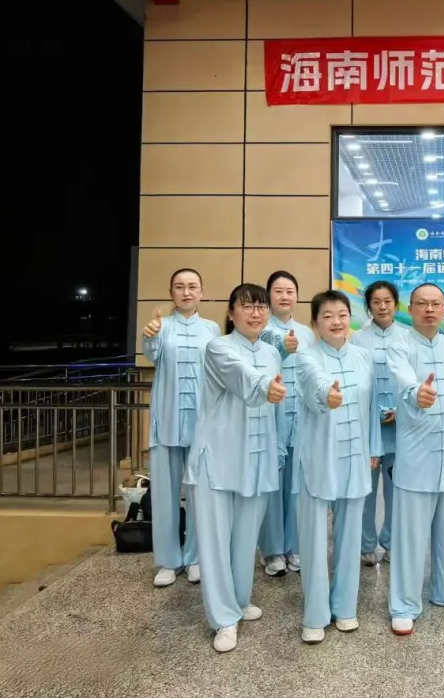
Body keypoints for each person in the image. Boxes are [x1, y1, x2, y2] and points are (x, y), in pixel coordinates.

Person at [185, 283, 286, 652]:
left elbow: (277, 408)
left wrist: (278, 449)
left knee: (245, 539)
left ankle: (240, 601)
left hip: (256, 458)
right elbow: (243, 376)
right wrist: (265, 386)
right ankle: (223, 618)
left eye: (261, 306)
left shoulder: (272, 353)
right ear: (231, 313)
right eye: (246, 306)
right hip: (218, 457)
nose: (255, 313)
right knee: (215, 541)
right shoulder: (218, 347)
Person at [386, 282, 444, 636]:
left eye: (435, 304)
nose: (429, 310)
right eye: (422, 304)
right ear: (410, 308)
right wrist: (418, 393)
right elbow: (404, 382)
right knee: (410, 535)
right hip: (417, 452)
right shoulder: (399, 345)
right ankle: (404, 605)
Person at [294, 291, 383, 644]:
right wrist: (326, 396)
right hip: (319, 455)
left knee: (350, 535)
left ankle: (345, 607)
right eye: (327, 315)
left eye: (342, 314)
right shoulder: (306, 357)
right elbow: (315, 384)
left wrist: (374, 447)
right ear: (315, 322)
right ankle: (315, 614)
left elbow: (372, 405)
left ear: (350, 318)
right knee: (315, 539)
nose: (336, 321)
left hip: (355, 454)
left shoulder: (363, 357)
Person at [142, 268, 220, 588]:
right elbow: (152, 354)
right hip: (168, 421)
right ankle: (168, 560)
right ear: (171, 292)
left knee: (200, 494)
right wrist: (150, 335)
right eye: (179, 287)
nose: (186, 292)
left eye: (192, 286)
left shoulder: (212, 329)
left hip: (202, 423)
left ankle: (196, 557)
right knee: (165, 494)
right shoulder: (161, 326)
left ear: (201, 292)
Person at [258, 271, 313, 577]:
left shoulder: (306, 333)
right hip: (272, 414)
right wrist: (281, 344)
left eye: (290, 291)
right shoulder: (260, 329)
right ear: (269, 296)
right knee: (271, 483)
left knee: (295, 486)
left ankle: (293, 546)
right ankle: (271, 550)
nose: (284, 296)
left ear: (297, 296)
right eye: (278, 291)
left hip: (300, 416)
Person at [352, 281, 409, 565]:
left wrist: (402, 409)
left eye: (387, 301)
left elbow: (414, 379)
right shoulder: (357, 340)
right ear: (369, 306)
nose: (383, 306)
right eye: (376, 302)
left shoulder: (408, 337)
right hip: (368, 428)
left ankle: (392, 542)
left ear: (395, 304)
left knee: (397, 490)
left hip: (401, 427)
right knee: (366, 490)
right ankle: (365, 544)